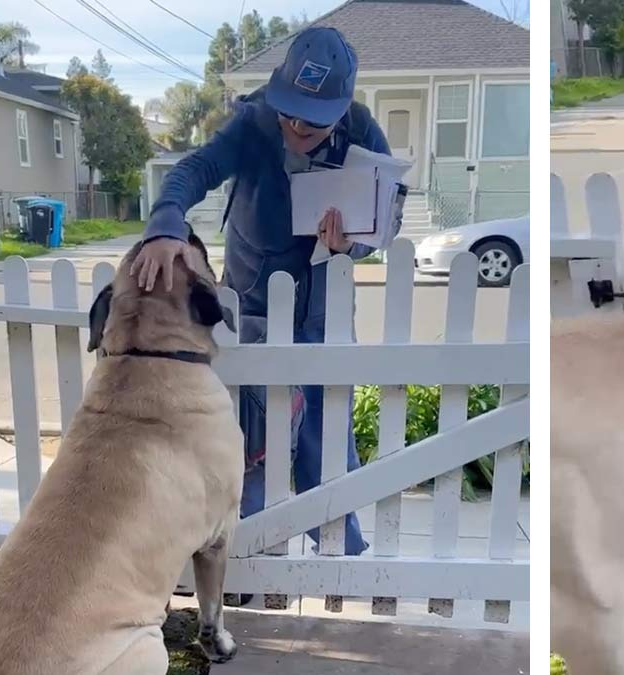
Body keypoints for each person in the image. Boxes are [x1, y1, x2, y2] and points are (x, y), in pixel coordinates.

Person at [131, 26, 396, 593]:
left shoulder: (364, 132)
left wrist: (356, 244)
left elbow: (388, 215)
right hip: (252, 301)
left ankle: (335, 558)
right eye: (290, 113)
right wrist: (165, 226)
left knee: (326, 432)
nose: (296, 128)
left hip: (324, 309)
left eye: (312, 120)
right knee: (251, 440)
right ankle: (245, 560)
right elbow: (192, 171)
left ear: (342, 108)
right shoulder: (254, 122)